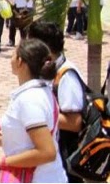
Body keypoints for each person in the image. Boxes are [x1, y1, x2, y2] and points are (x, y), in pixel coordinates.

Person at [0, 38, 67, 183]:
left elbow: (47, 152)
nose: (10, 60)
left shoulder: (29, 100)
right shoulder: (41, 91)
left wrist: (3, 161)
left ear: (20, 62)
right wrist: (6, 141)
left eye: (12, 55)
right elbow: (30, 140)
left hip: (38, 178)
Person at [28, 22, 84, 183]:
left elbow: (74, 122)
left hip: (66, 160)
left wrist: (37, 119)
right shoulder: (49, 71)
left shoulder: (66, 76)